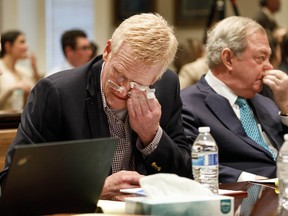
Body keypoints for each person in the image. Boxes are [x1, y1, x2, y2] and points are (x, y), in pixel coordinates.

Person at [0, 13, 192, 200]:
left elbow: (186, 176)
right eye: (119, 74)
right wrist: (96, 189)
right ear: (108, 50)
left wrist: (151, 136)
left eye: (138, 85)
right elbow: (12, 184)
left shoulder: (166, 86)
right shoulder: (57, 94)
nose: (123, 90)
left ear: (155, 78)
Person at [181, 16, 288, 183]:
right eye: (261, 58)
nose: (269, 66)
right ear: (228, 59)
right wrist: (253, 181)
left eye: (269, 58)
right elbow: (188, 164)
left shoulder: (268, 102)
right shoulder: (188, 105)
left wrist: (286, 108)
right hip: (242, 200)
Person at [0, 30, 39, 110]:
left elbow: (39, 95)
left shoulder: (24, 71)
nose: (26, 46)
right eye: (22, 42)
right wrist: (10, 90)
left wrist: (35, 69)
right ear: (8, 46)